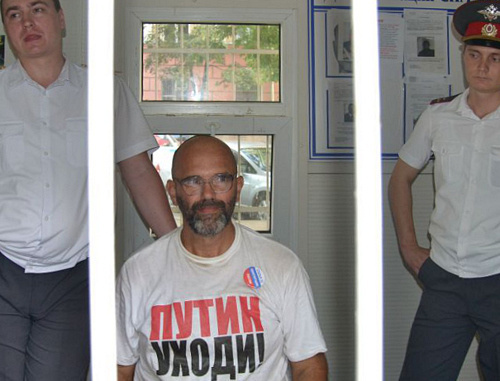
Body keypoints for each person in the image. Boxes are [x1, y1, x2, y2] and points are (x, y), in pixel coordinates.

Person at [0, 0, 176, 380]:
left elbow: (138, 172)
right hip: (4, 268)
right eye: (13, 14)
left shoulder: (104, 91)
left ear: (61, 19)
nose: (26, 22)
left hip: (73, 279)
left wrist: (175, 249)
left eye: (37, 9)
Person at [116, 135, 328, 380]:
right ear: (173, 193)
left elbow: (308, 365)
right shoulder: (138, 272)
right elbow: (119, 367)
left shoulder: (282, 265)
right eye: (193, 181)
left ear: (238, 188)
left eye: (221, 179)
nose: (208, 195)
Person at [389, 1, 500, 380]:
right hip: (445, 279)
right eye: (474, 54)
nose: (482, 66)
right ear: (463, 56)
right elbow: (400, 178)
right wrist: (409, 248)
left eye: (494, 58)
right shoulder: (438, 117)